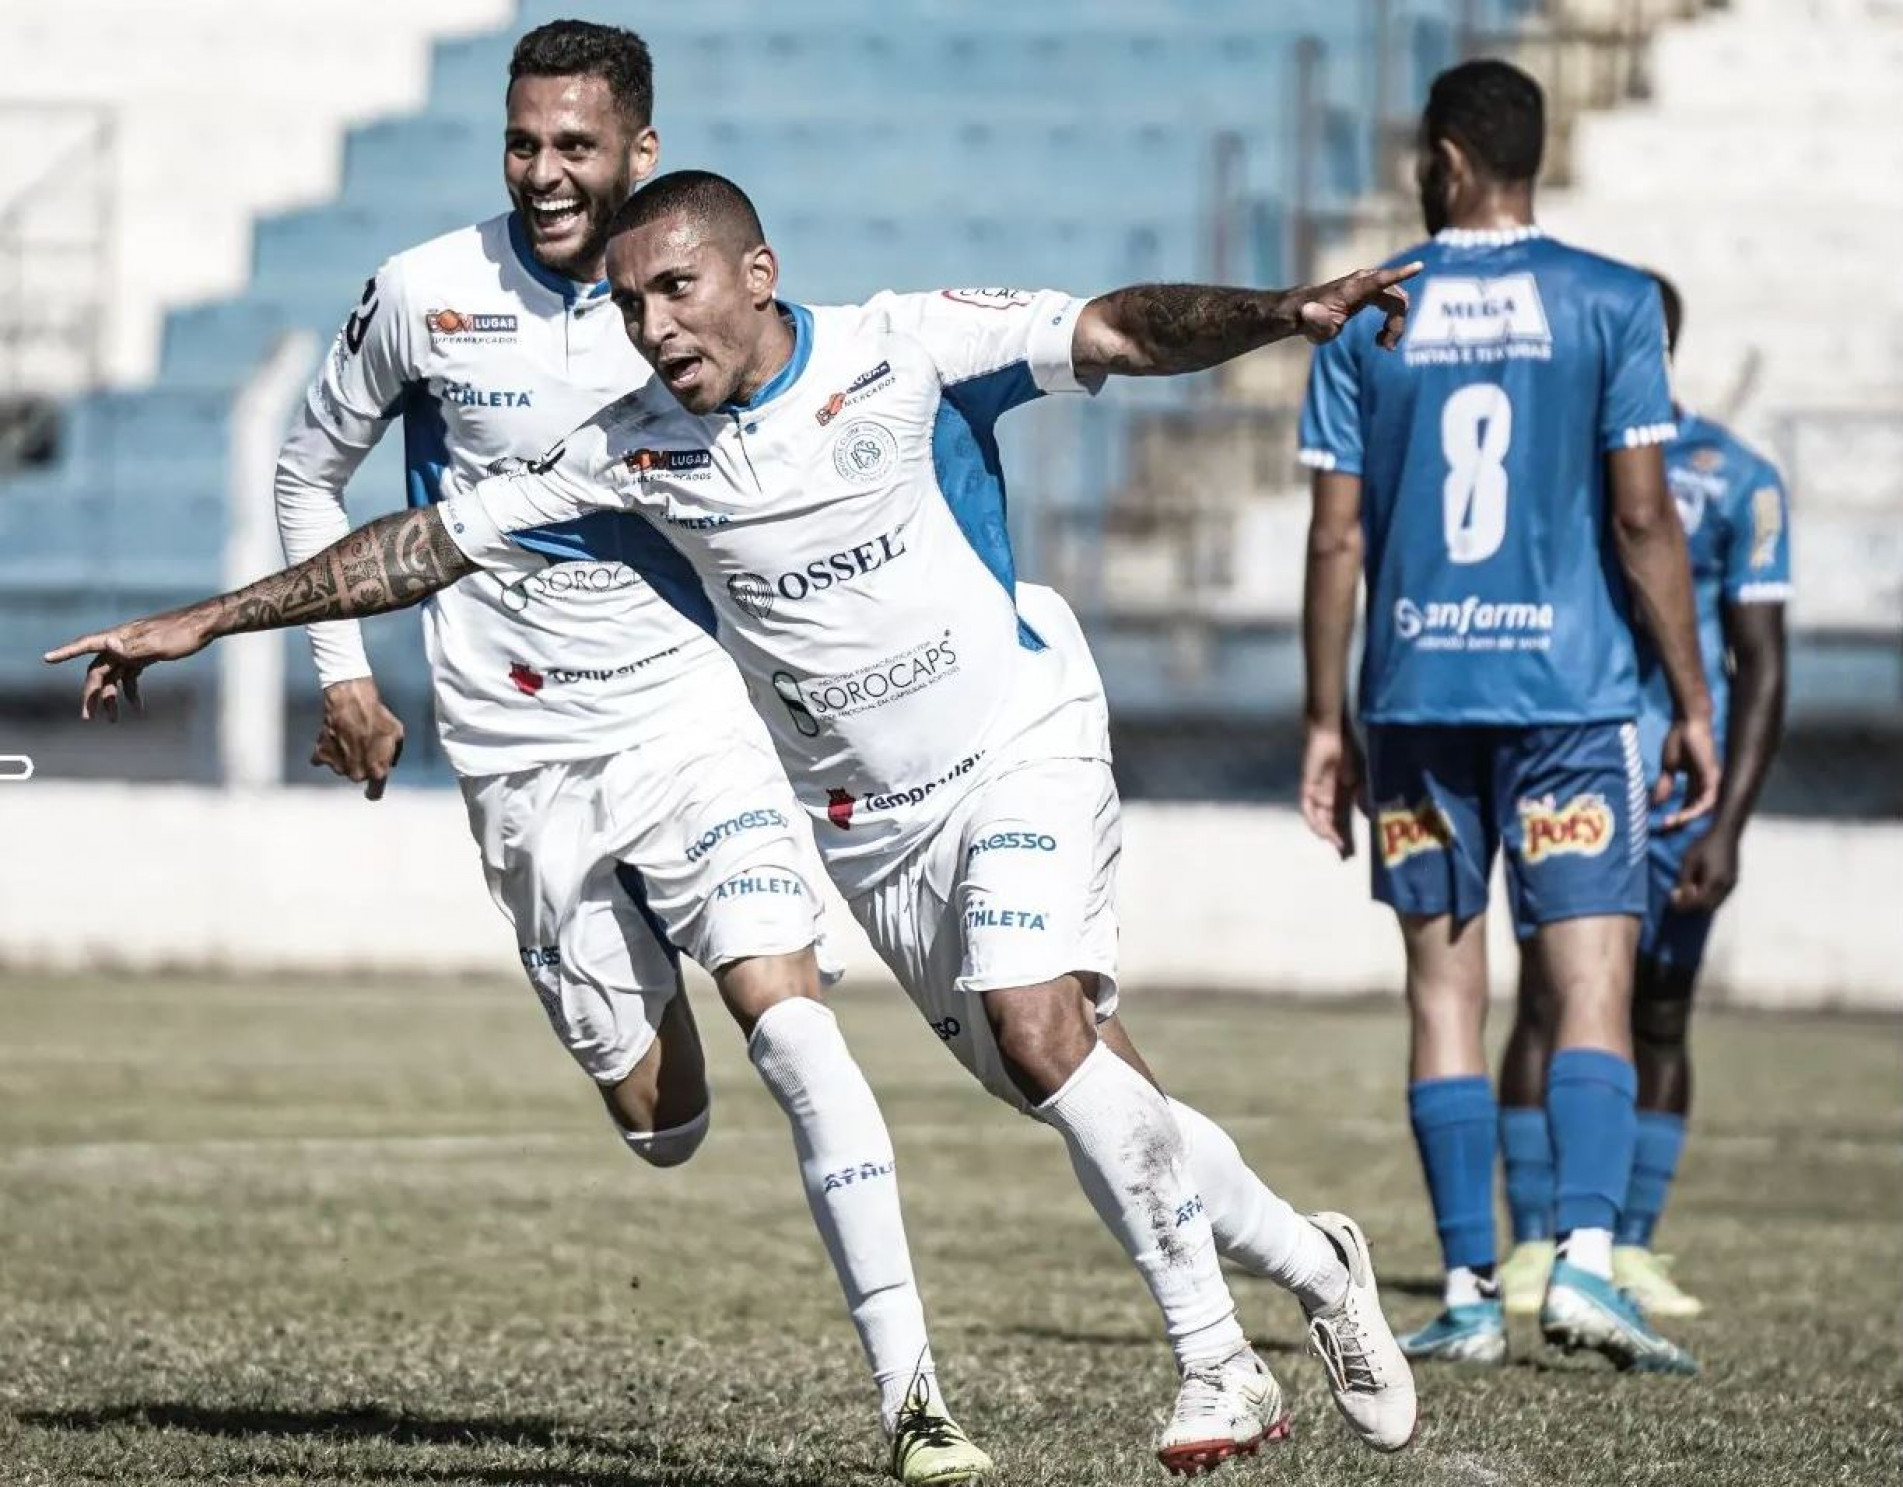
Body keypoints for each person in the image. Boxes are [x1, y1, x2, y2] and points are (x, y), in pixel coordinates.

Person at [50, 169, 1422, 1476]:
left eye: (678, 289)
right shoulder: (629, 452)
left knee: (1033, 1021)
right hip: (870, 829)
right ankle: (1316, 1263)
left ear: (756, 274)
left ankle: (1214, 1359)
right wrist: (207, 620)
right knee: (1071, 1079)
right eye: (628, 304)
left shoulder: (904, 348)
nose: (653, 326)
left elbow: (1117, 327)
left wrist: (1280, 311)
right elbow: (420, 549)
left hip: (1019, 738)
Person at [241, 23, 986, 1482]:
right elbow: (304, 468)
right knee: (663, 1123)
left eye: (574, 146)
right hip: (520, 755)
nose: (542, 173)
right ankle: (636, 963)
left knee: (793, 1025)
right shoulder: (423, 294)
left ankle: (916, 1399)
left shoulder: (686, 301)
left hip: (689, 722)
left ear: (640, 151)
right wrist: (342, 673)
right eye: (522, 143)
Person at [1294, 59, 1716, 1375]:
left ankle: (1470, 1287)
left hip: (1416, 699)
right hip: (1570, 699)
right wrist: (1690, 698)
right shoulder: (1611, 300)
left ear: (1445, 159)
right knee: (1588, 981)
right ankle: (1582, 1260)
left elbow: (1335, 538)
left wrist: (1324, 717)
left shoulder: (1368, 310)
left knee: (1442, 992)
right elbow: (1642, 518)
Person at [1494, 273, 1793, 1320]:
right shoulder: (1542, 462)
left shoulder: (1738, 477)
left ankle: (1630, 1246)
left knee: (1660, 1007)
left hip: (1676, 790)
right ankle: (1532, 1243)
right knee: (1548, 996)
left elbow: (1763, 660)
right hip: (1563, 757)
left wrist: (1729, 823)